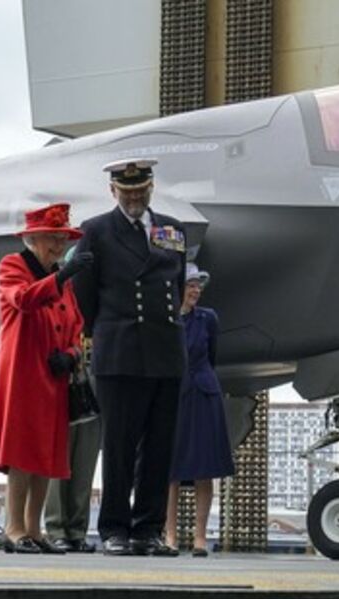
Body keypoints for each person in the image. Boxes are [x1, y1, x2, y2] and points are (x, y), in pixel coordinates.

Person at [73, 157, 186, 557]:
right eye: (127, 192)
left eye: (140, 190)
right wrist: (105, 332)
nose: (134, 197)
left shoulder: (172, 229)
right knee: (120, 446)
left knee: (159, 446)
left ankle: (148, 529)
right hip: (121, 349)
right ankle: (115, 528)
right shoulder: (96, 231)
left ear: (151, 188)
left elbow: (176, 284)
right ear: (113, 191)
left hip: (165, 349)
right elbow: (84, 293)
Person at [0, 203, 93, 554]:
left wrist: (72, 354)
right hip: (24, 373)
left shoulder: (61, 277)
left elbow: (77, 324)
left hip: (54, 375)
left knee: (46, 453)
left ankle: (34, 528)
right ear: (32, 239)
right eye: (52, 238)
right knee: (23, 451)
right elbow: (23, 299)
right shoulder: (13, 265)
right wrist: (60, 278)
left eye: (63, 239)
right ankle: (14, 528)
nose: (59, 245)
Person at [165, 263, 235, 556]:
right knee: (171, 470)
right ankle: (170, 535)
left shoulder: (208, 319)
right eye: (190, 285)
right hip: (175, 395)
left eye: (197, 286)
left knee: (205, 468)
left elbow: (212, 355)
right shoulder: (166, 318)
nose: (195, 291)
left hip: (204, 394)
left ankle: (200, 537)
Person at [44, 245, 101, 553]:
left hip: (91, 385)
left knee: (85, 461)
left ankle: (77, 529)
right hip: (63, 382)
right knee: (58, 461)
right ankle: (56, 527)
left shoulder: (100, 301)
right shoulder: (58, 296)